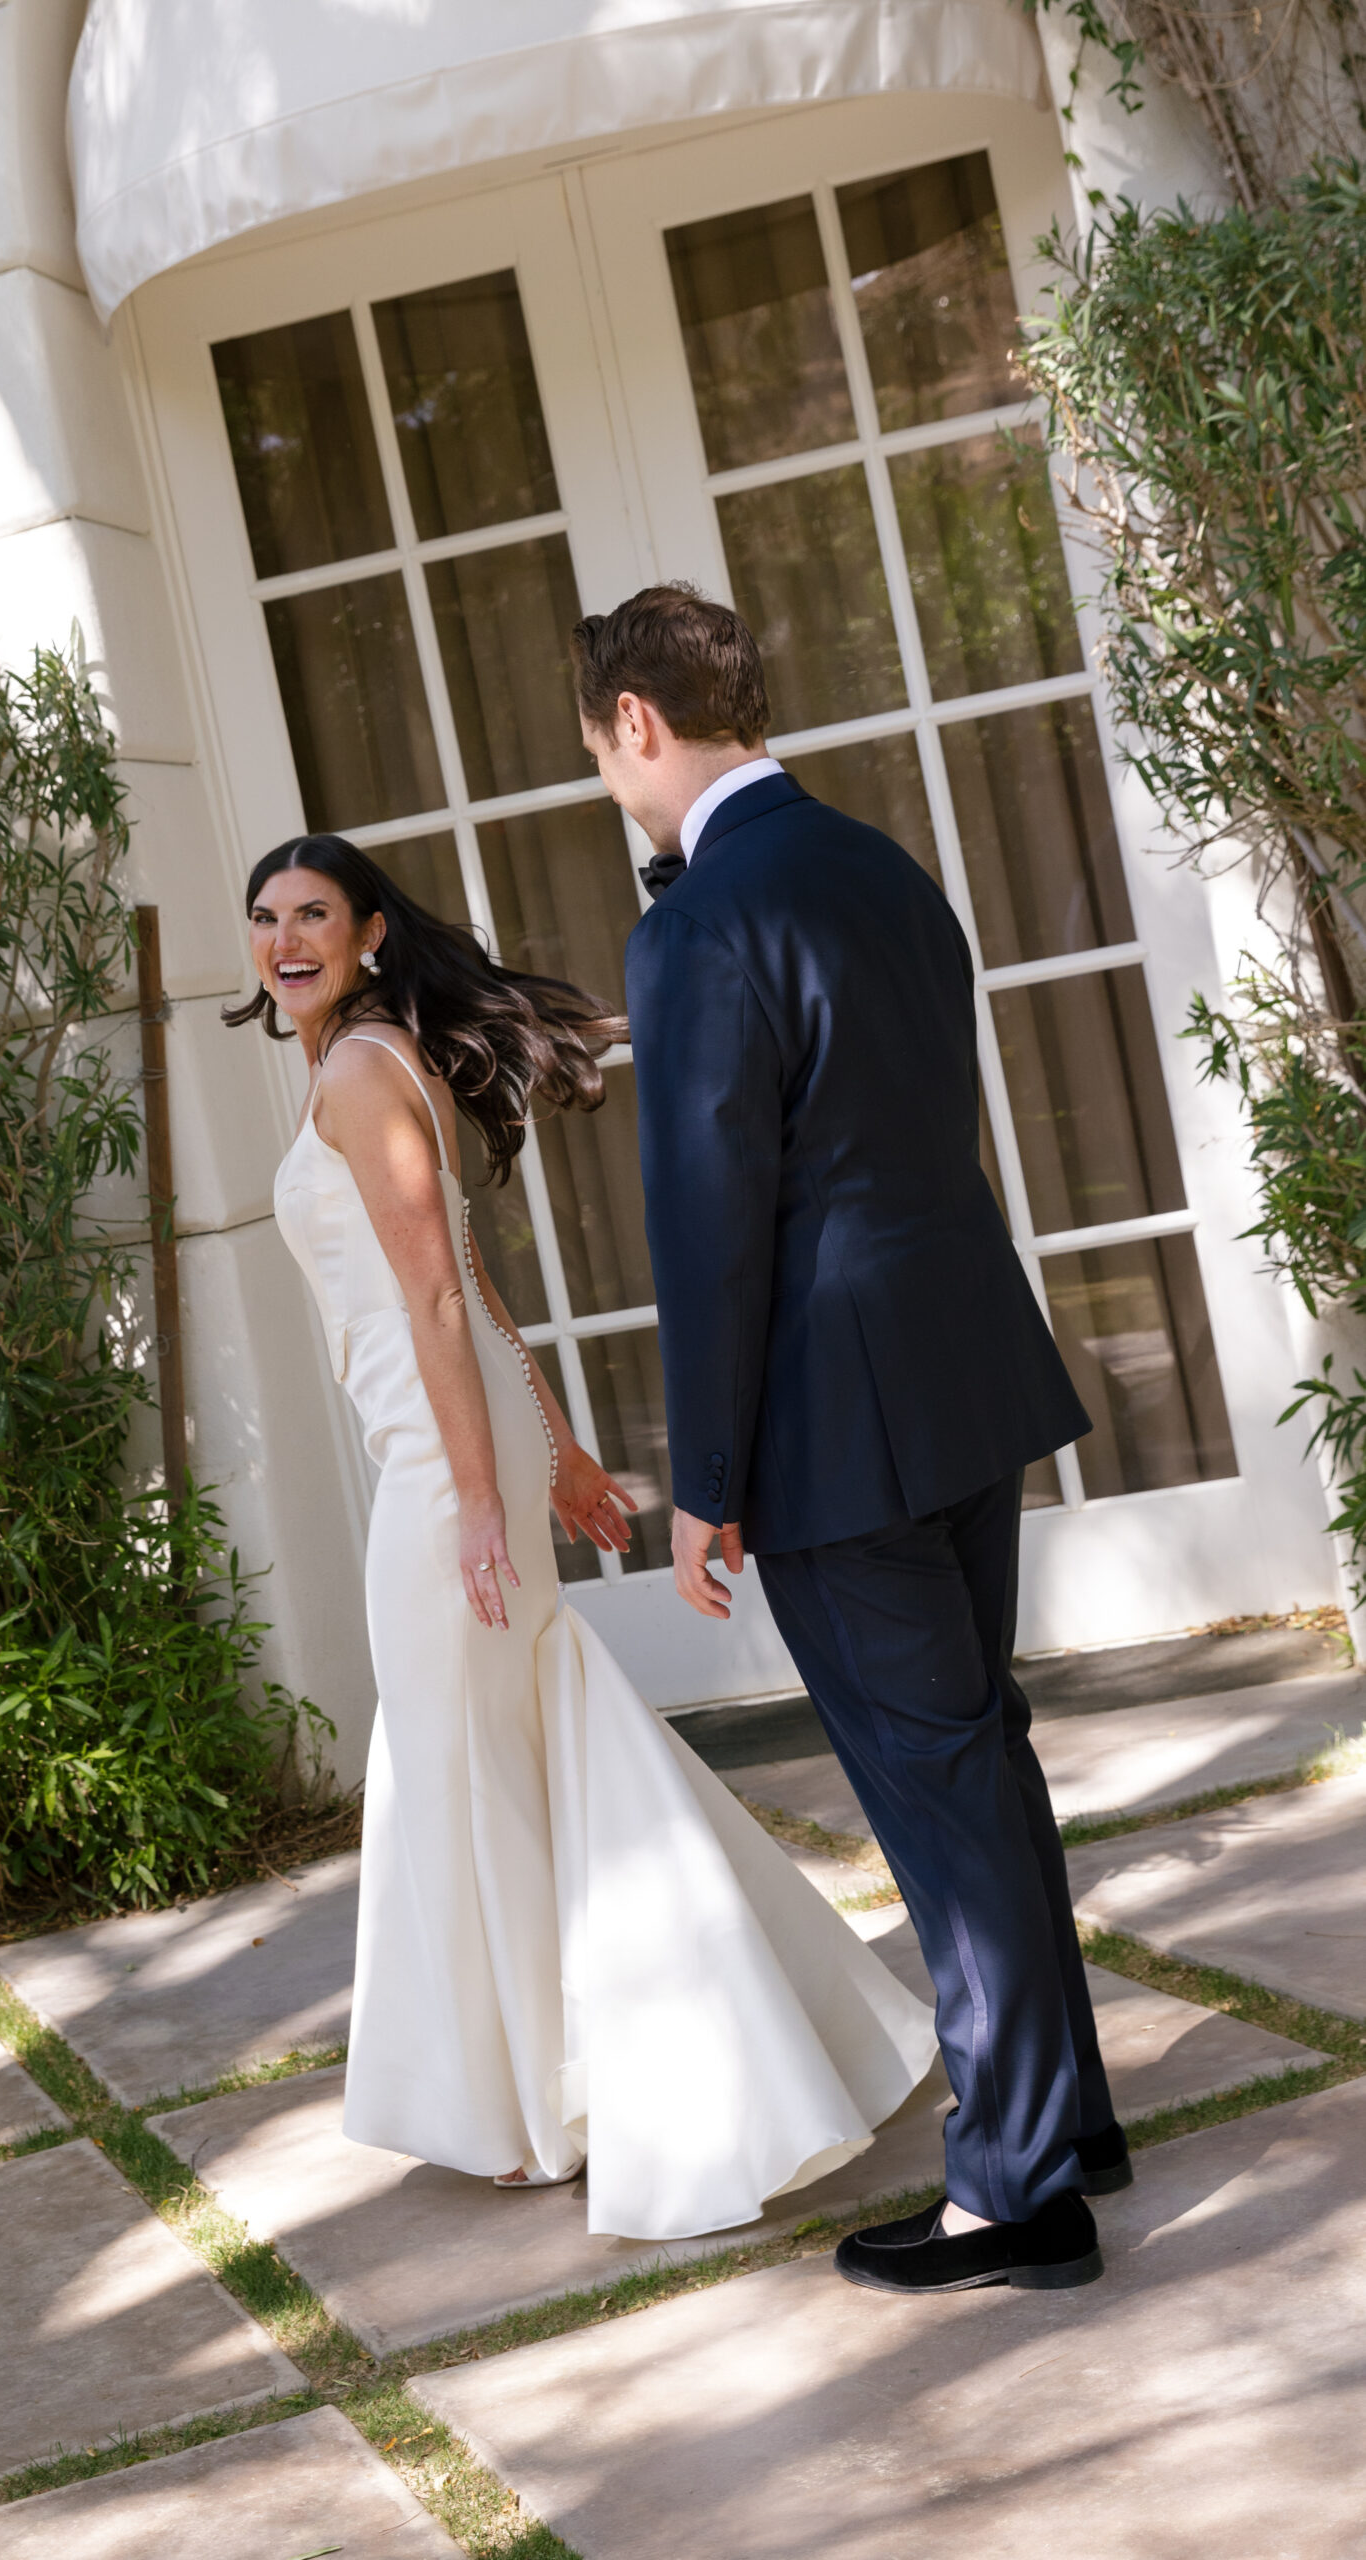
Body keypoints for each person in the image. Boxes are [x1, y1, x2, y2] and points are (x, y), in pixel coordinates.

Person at [225, 833, 936, 2242]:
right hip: (451, 1444)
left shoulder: (365, 1072)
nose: (284, 937)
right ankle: (565, 2081)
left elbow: (439, 1297)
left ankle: (535, 2113)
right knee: (498, 1745)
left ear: (370, 932)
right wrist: (559, 1453)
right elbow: (471, 1288)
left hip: (440, 1467)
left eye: (314, 913)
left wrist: (486, 1493)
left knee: (458, 1759)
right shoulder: (365, 1061)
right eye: (264, 917)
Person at [578, 582, 1124, 2294]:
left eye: (602, 754)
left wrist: (706, 1484)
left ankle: (1021, 2193)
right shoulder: (884, 866)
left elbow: (713, 1223)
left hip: (835, 1426)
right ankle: (1066, 2115)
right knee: (985, 1753)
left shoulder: (689, 929)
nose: (611, 784)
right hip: (965, 1369)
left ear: (640, 726)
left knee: (940, 1783)